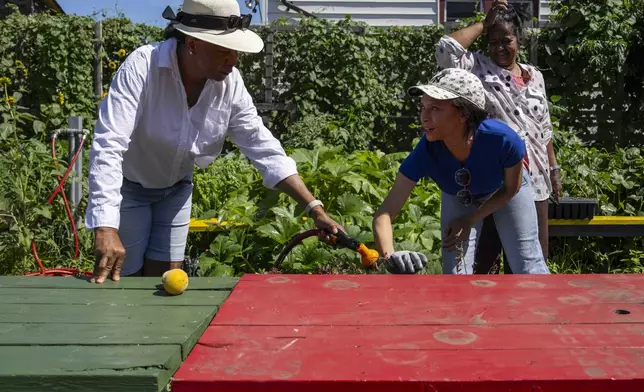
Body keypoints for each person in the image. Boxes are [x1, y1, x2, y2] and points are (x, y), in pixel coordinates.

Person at [85, 0, 340, 283]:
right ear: (193, 43)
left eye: (236, 51)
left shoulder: (230, 84)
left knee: (164, 280)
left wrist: (314, 208)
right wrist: (105, 226)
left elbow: (263, 147)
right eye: (223, 51)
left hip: (176, 190)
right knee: (124, 277)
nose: (232, 60)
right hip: (129, 189)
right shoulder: (142, 68)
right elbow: (109, 144)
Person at [372, 67, 549, 275]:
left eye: (435, 109)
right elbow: (384, 214)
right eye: (423, 107)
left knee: (527, 266)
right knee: (455, 273)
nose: (424, 117)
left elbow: (511, 189)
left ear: (463, 113)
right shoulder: (426, 151)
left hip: (504, 191)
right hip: (458, 194)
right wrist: (390, 255)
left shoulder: (503, 140)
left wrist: (471, 219)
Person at [435, 0, 562, 273]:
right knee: (485, 263)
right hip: (494, 183)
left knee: (529, 262)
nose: (500, 48)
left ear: (519, 39)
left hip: (536, 181)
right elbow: (446, 50)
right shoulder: (478, 69)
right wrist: (484, 23)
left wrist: (554, 169)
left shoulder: (535, 76)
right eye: (493, 42)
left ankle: (526, 315)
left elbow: (544, 126)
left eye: (506, 40)